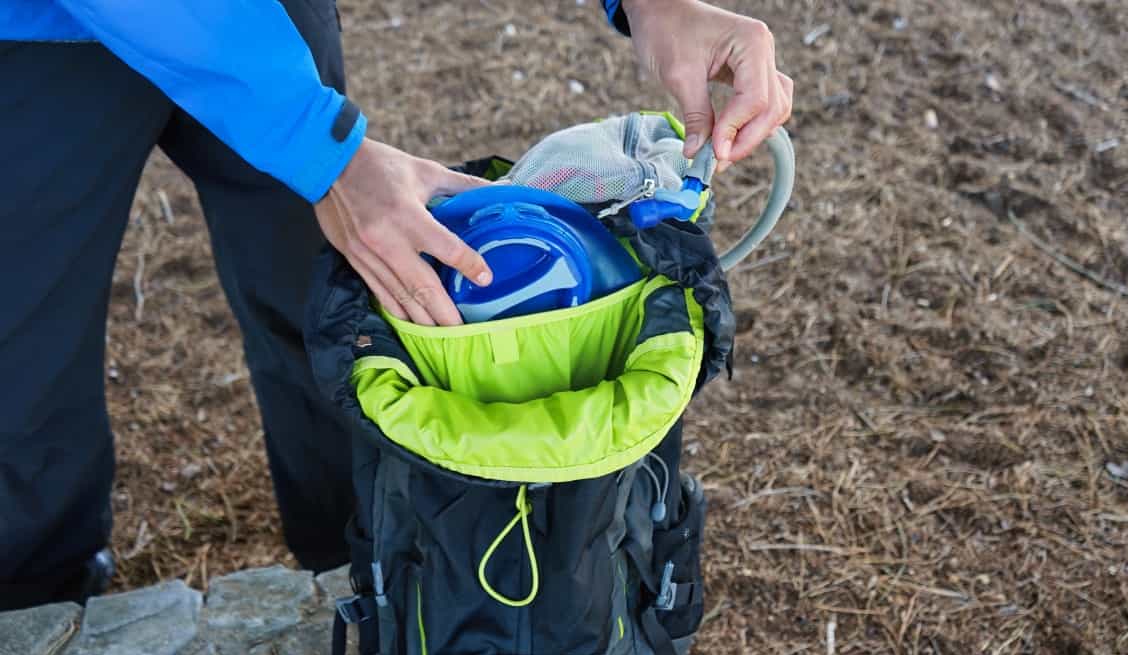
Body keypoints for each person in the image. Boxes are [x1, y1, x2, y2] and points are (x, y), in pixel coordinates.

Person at [0, 0, 793, 612]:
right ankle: (36, 614)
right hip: (31, 35)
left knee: (329, 307)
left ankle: (363, 561)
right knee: (21, 352)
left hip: (265, 21)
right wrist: (321, 146)